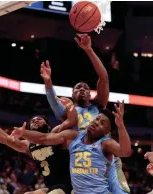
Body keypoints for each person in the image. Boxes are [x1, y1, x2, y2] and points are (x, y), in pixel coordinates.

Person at [40, 34, 130, 193]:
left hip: (107, 156)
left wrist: (89, 50)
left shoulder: (99, 105)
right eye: (77, 88)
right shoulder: (68, 111)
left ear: (90, 94)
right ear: (72, 94)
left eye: (85, 88)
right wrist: (48, 82)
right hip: (85, 161)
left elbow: (104, 78)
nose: (82, 89)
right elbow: (54, 103)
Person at [11, 101, 131, 194]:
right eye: (97, 119)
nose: (96, 122)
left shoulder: (106, 143)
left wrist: (120, 126)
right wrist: (24, 133)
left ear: (106, 132)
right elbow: (44, 139)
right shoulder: (74, 136)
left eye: (102, 123)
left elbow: (125, 151)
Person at [0, 97, 74, 194]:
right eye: (32, 121)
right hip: (50, 186)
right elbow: (3, 138)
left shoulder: (56, 136)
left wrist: (69, 108)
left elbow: (70, 122)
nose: (35, 121)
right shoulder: (29, 145)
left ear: (48, 125)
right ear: (29, 129)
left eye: (39, 119)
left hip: (69, 185)